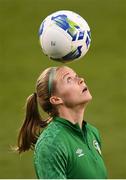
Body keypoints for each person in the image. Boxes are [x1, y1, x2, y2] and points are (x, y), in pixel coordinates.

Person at [17, 66, 108, 179]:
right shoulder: (51, 144)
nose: (81, 80)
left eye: (77, 76)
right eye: (69, 79)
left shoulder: (92, 133)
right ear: (56, 99)